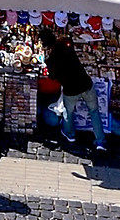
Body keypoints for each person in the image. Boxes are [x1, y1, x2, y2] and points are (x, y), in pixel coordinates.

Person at [40, 24, 107, 152]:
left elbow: (53, 77)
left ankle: (70, 135)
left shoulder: (51, 59)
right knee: (94, 112)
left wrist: (47, 57)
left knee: (68, 112)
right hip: (86, 85)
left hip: (71, 90)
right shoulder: (66, 44)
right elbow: (69, 40)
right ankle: (100, 141)